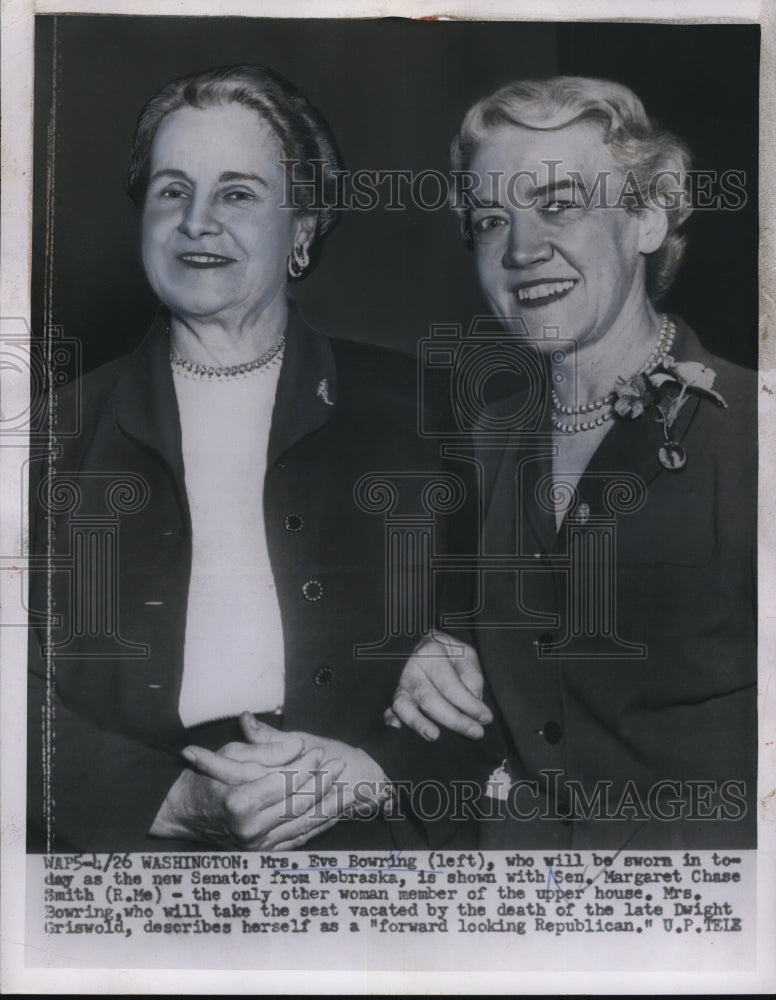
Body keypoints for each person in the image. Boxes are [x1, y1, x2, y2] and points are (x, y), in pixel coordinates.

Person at [27, 64, 451, 853]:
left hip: (378, 840)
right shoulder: (47, 437)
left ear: (304, 227)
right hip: (140, 849)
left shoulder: (426, 414)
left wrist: (380, 768)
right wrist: (172, 798)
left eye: (238, 194)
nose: (196, 223)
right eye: (170, 191)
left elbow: (527, 648)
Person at [386, 77, 757, 849]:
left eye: (559, 206)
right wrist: (423, 656)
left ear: (649, 216)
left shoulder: (753, 433)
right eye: (491, 220)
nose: (522, 251)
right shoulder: (475, 447)